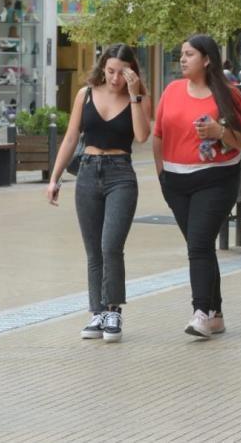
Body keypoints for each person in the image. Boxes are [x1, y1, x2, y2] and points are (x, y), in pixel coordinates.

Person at [153, 34, 241, 339]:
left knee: (198, 246)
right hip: (175, 182)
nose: (182, 59)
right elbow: (158, 134)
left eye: (189, 55)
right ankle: (217, 315)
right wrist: (162, 175)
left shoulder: (229, 95)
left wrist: (219, 131)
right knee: (201, 248)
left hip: (216, 180)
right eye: (181, 54)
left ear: (207, 59)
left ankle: (201, 312)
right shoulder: (171, 91)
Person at [47, 44, 150, 343]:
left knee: (110, 246)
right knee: (93, 250)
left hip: (121, 174)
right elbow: (70, 137)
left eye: (122, 72)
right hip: (88, 173)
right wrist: (54, 178)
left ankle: (114, 309)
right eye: (110, 71)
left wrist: (134, 95)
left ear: (132, 71)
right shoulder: (85, 94)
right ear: (102, 68)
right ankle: (97, 311)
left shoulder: (138, 96)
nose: (115, 78)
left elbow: (142, 135)